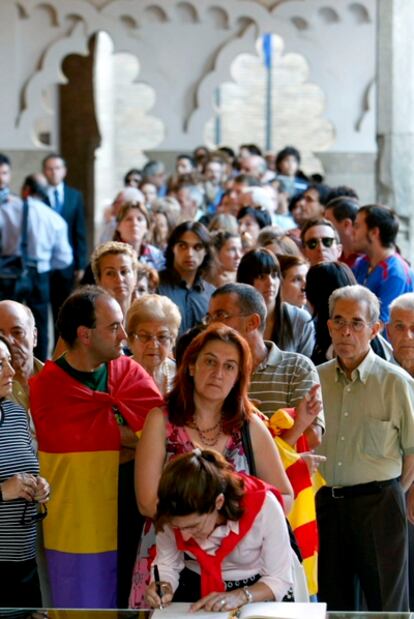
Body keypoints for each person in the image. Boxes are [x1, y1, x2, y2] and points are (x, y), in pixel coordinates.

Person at [129, 324, 293, 607]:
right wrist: (195, 526)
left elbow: (283, 497)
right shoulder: (162, 420)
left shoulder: (250, 425)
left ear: (238, 377)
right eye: (210, 361)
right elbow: (147, 503)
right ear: (191, 366)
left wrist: (231, 531)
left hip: (247, 561)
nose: (218, 373)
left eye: (230, 367)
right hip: (173, 554)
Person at [30, 286, 164, 608]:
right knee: (84, 600)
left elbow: (162, 434)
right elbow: (66, 448)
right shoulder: (47, 387)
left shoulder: (129, 371)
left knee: (132, 595)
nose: (123, 335)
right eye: (114, 327)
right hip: (78, 515)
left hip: (132, 506)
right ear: (85, 335)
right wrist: (130, 438)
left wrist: (109, 439)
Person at [315, 284, 414, 611]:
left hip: (380, 506)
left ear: (374, 330)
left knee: (386, 605)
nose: (346, 331)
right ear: (328, 326)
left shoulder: (396, 383)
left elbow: (412, 451)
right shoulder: (316, 379)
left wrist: (392, 494)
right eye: (338, 321)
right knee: (332, 604)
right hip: (328, 506)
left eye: (356, 323)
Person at [145, 449, 293, 611]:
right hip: (193, 584)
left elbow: (278, 578)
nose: (185, 536)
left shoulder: (264, 507)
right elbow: (167, 565)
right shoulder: (170, 512)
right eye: (177, 528)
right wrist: (163, 587)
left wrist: (241, 596)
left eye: (193, 526)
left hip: (258, 590)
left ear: (219, 502)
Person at [0, 171, 73, 360]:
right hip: (40, 273)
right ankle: (37, 367)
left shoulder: (8, 209)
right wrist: (46, 262)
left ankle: (4, 360)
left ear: (26, 190)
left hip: (10, 272)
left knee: (6, 319)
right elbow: (65, 258)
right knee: (39, 323)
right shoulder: (54, 219)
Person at [0, 335, 50, 607]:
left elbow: (28, 468)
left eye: (9, 360)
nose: (10, 370)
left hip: (24, 565)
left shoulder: (17, 413)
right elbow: (7, 486)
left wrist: (41, 486)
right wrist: (3, 491)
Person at [237, 249, 314, 358]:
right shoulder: (234, 318)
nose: (270, 282)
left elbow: (309, 368)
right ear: (246, 281)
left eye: (274, 275)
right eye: (261, 277)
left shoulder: (300, 319)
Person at [42, 153, 88, 336]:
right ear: (45, 172)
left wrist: (80, 263)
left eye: (57, 168)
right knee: (41, 311)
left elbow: (80, 231)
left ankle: (59, 349)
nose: (53, 172)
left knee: (62, 310)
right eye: (49, 169)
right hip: (43, 263)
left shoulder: (74, 196)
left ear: (64, 171)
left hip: (66, 263)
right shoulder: (39, 196)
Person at [353, 204, 414, 324]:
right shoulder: (361, 264)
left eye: (357, 226)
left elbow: (382, 326)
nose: (352, 231)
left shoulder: (395, 273)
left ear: (374, 232)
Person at [158, 221, 215, 336]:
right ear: (173, 248)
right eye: (182, 246)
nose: (189, 253)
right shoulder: (156, 285)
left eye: (197, 247)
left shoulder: (212, 294)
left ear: (206, 252)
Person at [126, 294, 181, 395]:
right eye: (145, 336)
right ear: (131, 339)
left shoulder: (181, 375)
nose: (153, 345)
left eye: (162, 337)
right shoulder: (119, 375)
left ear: (172, 340)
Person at [91, 241, 138, 319]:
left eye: (124, 271)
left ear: (135, 277)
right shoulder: (91, 323)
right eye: (110, 273)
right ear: (98, 281)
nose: (119, 279)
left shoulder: (148, 318)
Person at [114, 201, 165, 270]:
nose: (134, 223)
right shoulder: (109, 256)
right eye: (129, 219)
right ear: (118, 227)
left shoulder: (156, 255)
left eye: (139, 219)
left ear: (147, 227)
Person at [324, 196, 361, 268]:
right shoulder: (334, 256)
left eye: (328, 222)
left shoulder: (365, 261)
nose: (324, 227)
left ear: (346, 224)